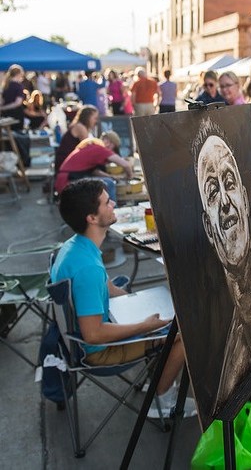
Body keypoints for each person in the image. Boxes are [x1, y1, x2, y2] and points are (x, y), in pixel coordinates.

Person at [51, 178, 194, 418]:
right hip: (95, 351)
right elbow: (94, 334)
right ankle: (162, 401)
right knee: (183, 334)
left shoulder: (74, 247)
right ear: (92, 218)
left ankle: (158, 380)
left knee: (164, 308)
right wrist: (144, 325)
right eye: (107, 202)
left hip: (78, 334)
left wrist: (133, 300)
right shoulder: (88, 269)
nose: (114, 203)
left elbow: (106, 286)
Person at [191, 118, 251, 414]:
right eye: (213, 192)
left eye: (229, 183)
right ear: (208, 229)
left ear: (247, 200)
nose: (225, 202)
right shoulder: (215, 347)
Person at [55, 130, 132, 202]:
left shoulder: (92, 147)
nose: (112, 152)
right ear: (109, 143)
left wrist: (111, 176)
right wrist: (129, 176)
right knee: (109, 183)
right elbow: (126, 165)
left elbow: (95, 171)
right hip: (67, 182)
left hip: (64, 180)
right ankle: (112, 210)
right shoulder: (100, 149)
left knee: (107, 180)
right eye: (114, 148)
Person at [54, 105, 99, 173]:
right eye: (95, 118)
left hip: (67, 162)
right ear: (88, 117)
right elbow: (88, 149)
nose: (96, 121)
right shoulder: (80, 127)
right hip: (65, 165)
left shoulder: (80, 126)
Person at [0, 64, 26, 131]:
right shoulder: (18, 86)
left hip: (6, 115)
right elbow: (18, 103)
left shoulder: (5, 85)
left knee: (7, 136)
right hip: (16, 115)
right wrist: (3, 108)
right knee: (16, 137)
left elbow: (2, 101)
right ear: (18, 74)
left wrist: (3, 108)